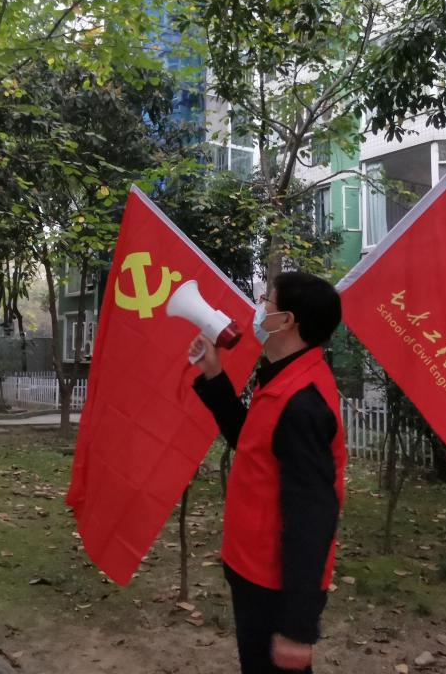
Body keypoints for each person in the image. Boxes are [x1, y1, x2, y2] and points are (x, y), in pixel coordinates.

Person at [189, 272, 345, 674]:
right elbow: (251, 442)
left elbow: (313, 518)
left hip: (272, 584)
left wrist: (297, 627)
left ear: (287, 320)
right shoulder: (283, 378)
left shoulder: (303, 402)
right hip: (252, 569)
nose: (259, 310)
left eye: (266, 302)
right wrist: (214, 374)